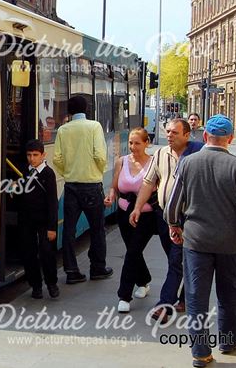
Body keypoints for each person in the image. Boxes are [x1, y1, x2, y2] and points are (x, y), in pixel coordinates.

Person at [165, 114, 236, 367]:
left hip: (196, 242)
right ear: (229, 139)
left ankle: (200, 352)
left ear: (205, 136)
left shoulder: (188, 163)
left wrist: (174, 225)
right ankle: (228, 341)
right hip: (229, 244)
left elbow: (173, 204)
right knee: (230, 294)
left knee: (196, 296)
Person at [130, 117, 204, 323]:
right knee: (179, 261)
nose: (169, 135)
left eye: (175, 132)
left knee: (176, 261)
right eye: (168, 131)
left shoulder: (199, 153)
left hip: (190, 219)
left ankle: (164, 305)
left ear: (187, 135)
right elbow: (148, 182)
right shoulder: (161, 154)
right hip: (164, 217)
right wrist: (137, 208)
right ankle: (184, 299)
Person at [53, 95, 111, 284]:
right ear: (86, 109)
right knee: (97, 229)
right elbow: (100, 155)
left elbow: (57, 160)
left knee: (69, 230)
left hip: (71, 186)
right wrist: (97, 171)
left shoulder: (62, 130)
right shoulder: (94, 127)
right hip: (91, 185)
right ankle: (98, 267)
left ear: (69, 110)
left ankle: (71, 271)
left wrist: (68, 172)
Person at [104, 128, 156, 313]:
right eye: (131, 143)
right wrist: (110, 196)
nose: (133, 147)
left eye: (137, 143)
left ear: (146, 143)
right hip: (124, 213)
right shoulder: (122, 161)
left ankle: (124, 296)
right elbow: (114, 187)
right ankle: (144, 281)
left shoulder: (154, 163)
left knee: (133, 252)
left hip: (146, 215)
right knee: (133, 250)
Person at [17, 139, 59, 299]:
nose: (32, 158)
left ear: (43, 155)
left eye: (35, 155)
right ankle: (35, 285)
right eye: (29, 155)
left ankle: (51, 283)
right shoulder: (24, 171)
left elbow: (52, 202)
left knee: (47, 252)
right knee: (29, 253)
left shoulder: (48, 173)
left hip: (44, 221)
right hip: (27, 220)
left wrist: (52, 227)